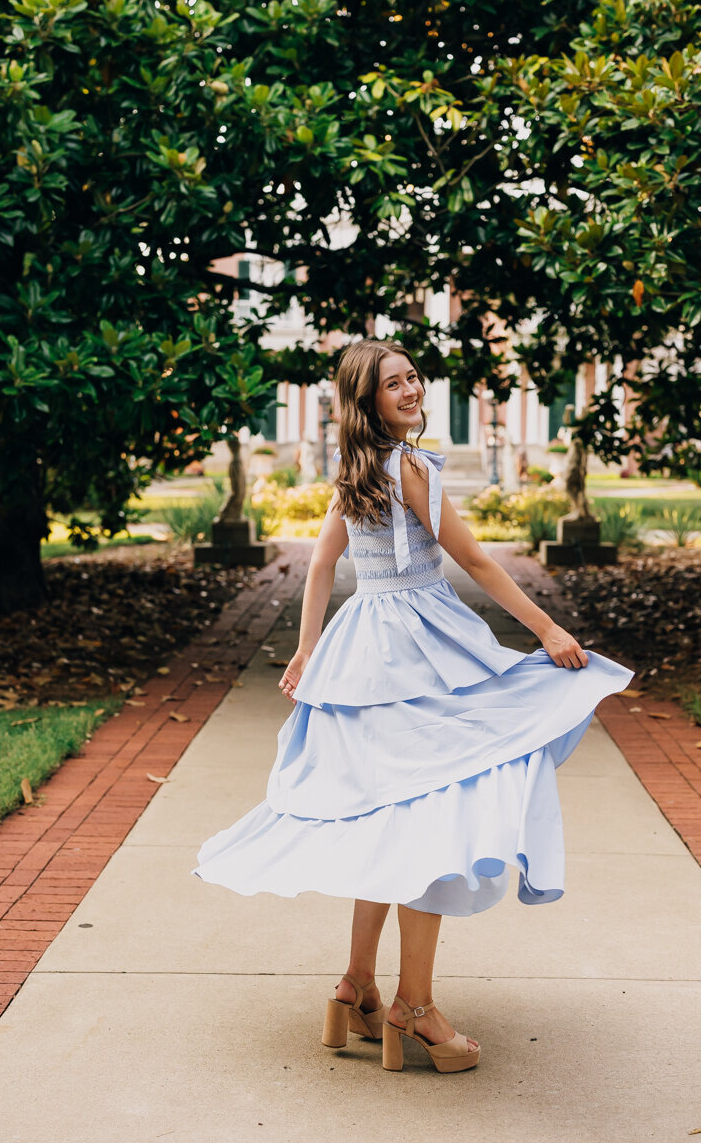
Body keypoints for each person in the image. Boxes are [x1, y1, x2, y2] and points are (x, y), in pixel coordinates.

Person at [191, 339, 632, 1074]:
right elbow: (478, 561)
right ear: (367, 402)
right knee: (431, 821)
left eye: (412, 377)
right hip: (418, 649)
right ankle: (413, 1008)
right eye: (393, 384)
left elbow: (325, 566)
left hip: (366, 646)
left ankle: (355, 985)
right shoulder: (411, 467)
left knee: (388, 814)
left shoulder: (356, 473)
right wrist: (548, 629)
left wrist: (310, 651)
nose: (411, 389)